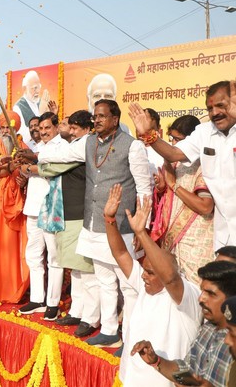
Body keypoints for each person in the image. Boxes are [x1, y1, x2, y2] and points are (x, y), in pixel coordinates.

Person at [103, 186, 202, 386]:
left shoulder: (187, 296)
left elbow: (171, 279)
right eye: (145, 270)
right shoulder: (145, 286)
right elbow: (121, 254)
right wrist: (109, 219)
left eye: (150, 272)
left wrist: (142, 234)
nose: (144, 276)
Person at [78, 99, 151, 349]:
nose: (96, 120)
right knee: (104, 280)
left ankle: (130, 336)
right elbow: (62, 153)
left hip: (123, 228)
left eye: (101, 116)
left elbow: (144, 188)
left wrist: (143, 227)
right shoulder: (88, 142)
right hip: (94, 223)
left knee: (129, 286)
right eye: (94, 116)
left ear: (115, 119)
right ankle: (110, 331)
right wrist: (35, 155)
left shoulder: (133, 147)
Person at [129, 81, 236, 250]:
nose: (215, 113)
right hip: (223, 235)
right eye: (209, 108)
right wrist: (148, 134)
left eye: (221, 106)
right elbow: (173, 153)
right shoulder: (204, 132)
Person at [36, 110, 100, 337]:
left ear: (86, 128)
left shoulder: (87, 145)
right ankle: (77, 310)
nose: (69, 131)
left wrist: (35, 161)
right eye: (68, 126)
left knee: (86, 268)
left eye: (73, 127)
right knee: (75, 267)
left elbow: (56, 165)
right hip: (67, 212)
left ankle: (91, 318)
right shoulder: (75, 144)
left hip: (80, 213)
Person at [131, 260, 236, 387]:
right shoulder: (207, 329)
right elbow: (187, 370)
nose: (201, 298)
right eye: (202, 291)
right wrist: (156, 361)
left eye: (211, 294)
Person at [151, 115, 215, 284]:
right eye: (171, 138)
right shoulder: (176, 164)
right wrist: (162, 188)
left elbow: (205, 206)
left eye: (178, 140)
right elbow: (170, 200)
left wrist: (173, 185)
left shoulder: (203, 165)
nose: (173, 144)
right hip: (173, 241)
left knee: (195, 294)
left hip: (195, 243)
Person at [17, 112, 65, 317]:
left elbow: (49, 167)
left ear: (55, 127)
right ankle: (37, 299)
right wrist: (24, 173)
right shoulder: (38, 147)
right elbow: (32, 168)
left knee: (54, 257)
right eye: (41, 129)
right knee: (33, 255)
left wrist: (29, 165)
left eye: (47, 128)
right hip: (33, 208)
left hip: (51, 208)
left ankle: (52, 303)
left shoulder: (62, 147)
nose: (43, 132)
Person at [0, 111, 29, 304]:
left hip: (17, 201)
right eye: (2, 128)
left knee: (14, 249)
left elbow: (28, 171)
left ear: (15, 129)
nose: (4, 132)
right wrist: (1, 168)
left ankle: (13, 290)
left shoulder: (24, 148)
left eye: (8, 128)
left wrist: (23, 178)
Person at [13, 70, 50, 143]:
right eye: (34, 88)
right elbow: (21, 135)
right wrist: (41, 114)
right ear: (25, 88)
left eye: (38, 87)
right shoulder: (18, 107)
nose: (37, 91)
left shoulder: (41, 102)